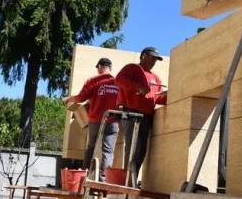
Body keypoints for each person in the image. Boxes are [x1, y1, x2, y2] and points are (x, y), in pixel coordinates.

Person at [116, 46, 168, 184]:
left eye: (156, 59)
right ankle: (127, 181)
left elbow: (157, 99)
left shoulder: (156, 78)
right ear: (143, 55)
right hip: (132, 114)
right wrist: (138, 87)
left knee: (141, 151)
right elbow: (119, 79)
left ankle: (131, 180)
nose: (154, 61)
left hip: (146, 118)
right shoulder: (133, 68)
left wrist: (170, 96)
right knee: (133, 149)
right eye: (152, 57)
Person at [63, 57, 121, 179]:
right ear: (110, 68)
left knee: (91, 147)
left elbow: (81, 98)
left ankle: (85, 175)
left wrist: (68, 99)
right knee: (108, 152)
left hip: (96, 120)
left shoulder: (93, 81)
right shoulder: (118, 83)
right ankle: (103, 180)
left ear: (100, 67)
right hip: (113, 121)